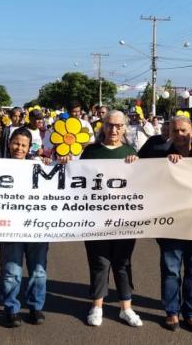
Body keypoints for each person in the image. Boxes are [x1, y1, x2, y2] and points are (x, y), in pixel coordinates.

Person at [138, 115, 192, 333]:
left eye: (183, 131)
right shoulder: (159, 153)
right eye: (175, 131)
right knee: (171, 269)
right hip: (169, 222)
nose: (179, 134)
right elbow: (138, 170)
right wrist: (134, 160)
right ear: (170, 132)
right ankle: (171, 312)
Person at [75, 110, 142, 327]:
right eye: (110, 125)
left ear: (125, 128)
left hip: (124, 220)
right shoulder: (90, 152)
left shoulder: (130, 152)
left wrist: (137, 164)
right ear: (103, 126)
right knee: (99, 262)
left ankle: (126, 308)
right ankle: (97, 306)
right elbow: (76, 181)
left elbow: (141, 185)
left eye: (119, 126)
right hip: (95, 219)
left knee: (123, 263)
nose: (114, 130)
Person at [0, 127, 53, 327]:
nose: (19, 148)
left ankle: (35, 307)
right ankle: (11, 309)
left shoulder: (39, 166)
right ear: (9, 143)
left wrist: (53, 163)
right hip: (9, 228)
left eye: (24, 145)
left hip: (36, 227)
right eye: (16, 143)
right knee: (12, 271)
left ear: (30, 147)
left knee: (38, 270)